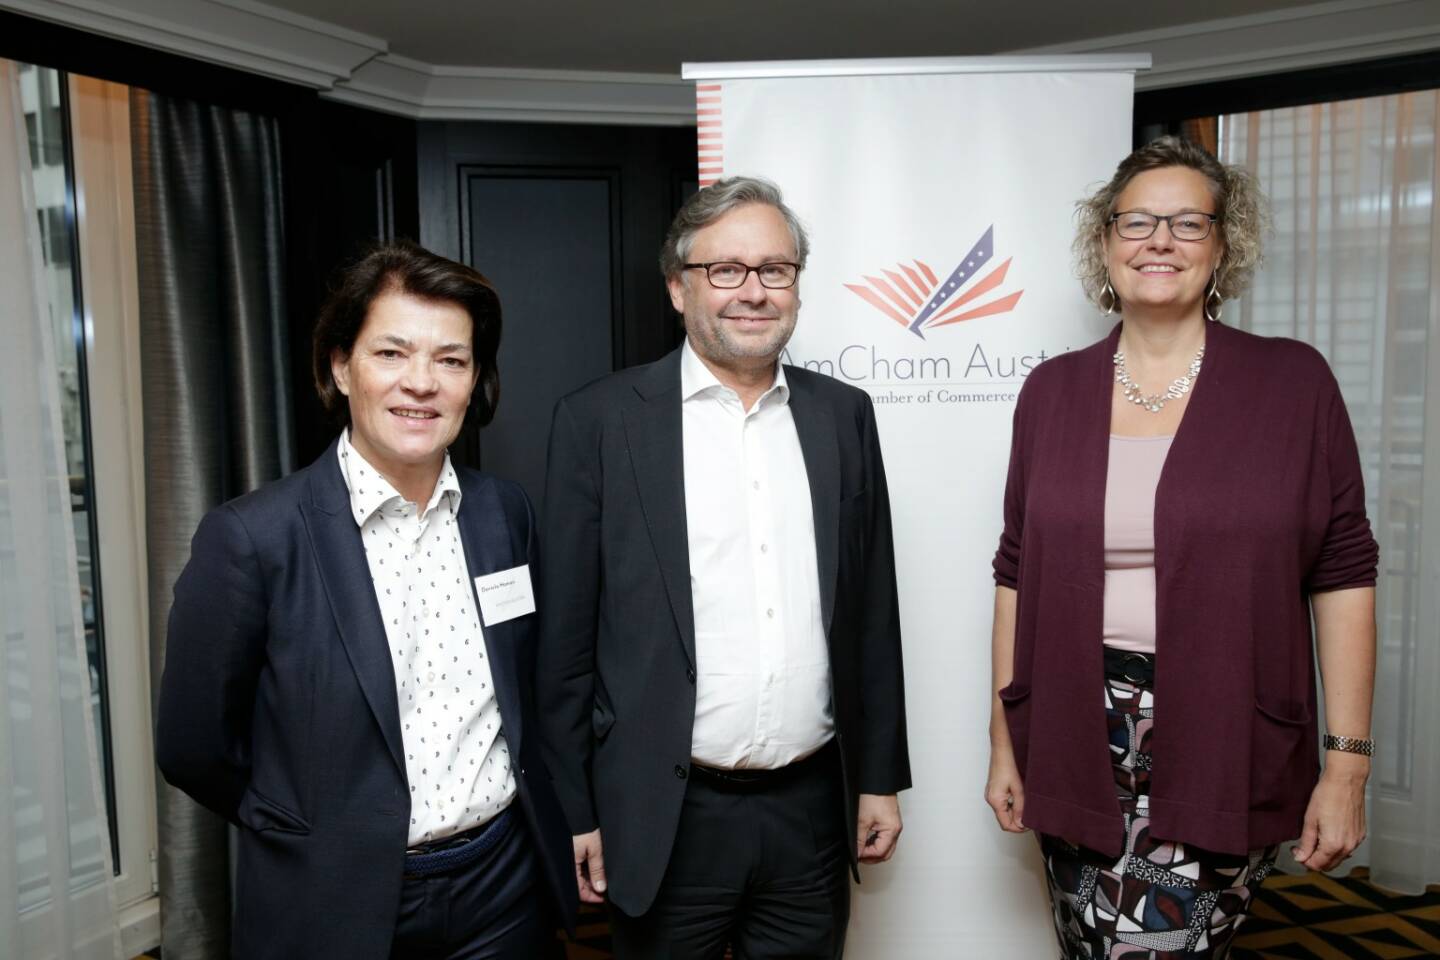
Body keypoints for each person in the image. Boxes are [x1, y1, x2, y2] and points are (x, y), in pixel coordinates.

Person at [985, 135, 1379, 957]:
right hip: (1072, 732)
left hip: (1226, 735)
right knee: (1090, 943)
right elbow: (1016, 572)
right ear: (1105, 244)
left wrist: (1346, 768)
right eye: (1136, 222)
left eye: (1187, 223)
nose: (1159, 240)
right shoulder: (1050, 391)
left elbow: (1342, 575)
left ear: (1223, 246)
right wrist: (1003, 742)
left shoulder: (1292, 384)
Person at [156, 241, 576, 959]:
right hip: (333, 898)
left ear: (474, 382)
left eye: (451, 359)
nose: (422, 383)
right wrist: (308, 824)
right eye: (392, 354)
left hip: (504, 888)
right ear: (340, 366)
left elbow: (527, 691)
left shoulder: (506, 513)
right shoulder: (253, 538)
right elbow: (195, 749)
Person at [537, 176, 911, 959]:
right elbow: (566, 643)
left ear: (797, 288)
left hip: (810, 810)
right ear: (679, 287)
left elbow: (871, 613)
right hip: (665, 815)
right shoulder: (599, 423)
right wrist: (574, 808)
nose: (754, 292)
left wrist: (879, 776)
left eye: (775, 270)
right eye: (727, 271)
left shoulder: (843, 416)